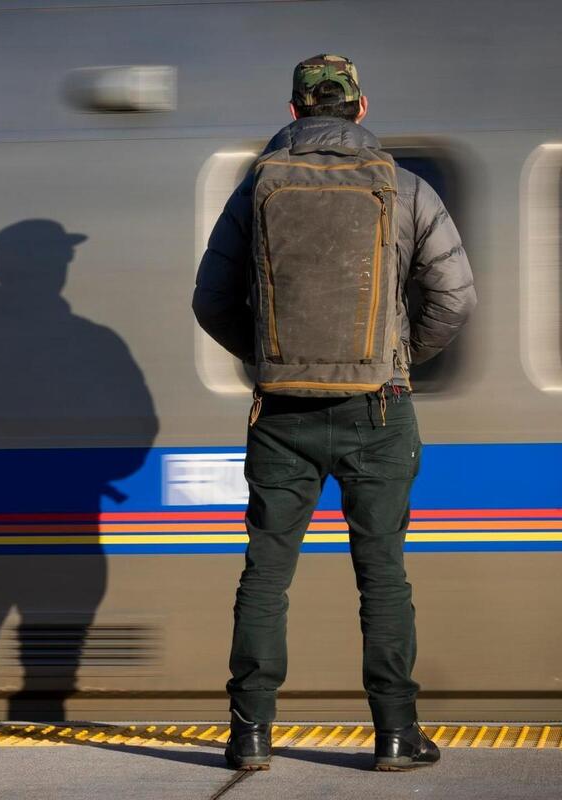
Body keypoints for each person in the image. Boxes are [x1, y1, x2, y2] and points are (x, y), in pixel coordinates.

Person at [192, 54, 476, 771]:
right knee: (382, 573)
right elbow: (454, 299)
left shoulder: (254, 189)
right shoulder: (405, 188)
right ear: (361, 107)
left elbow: (211, 300)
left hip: (281, 414)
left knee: (265, 573)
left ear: (293, 112)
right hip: (380, 412)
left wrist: (269, 359)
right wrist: (399, 360)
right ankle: (395, 735)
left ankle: (250, 733)